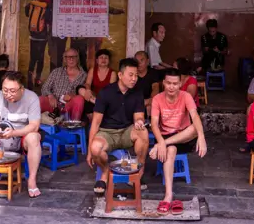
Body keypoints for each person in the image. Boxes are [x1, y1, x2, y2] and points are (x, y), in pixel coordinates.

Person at [149, 69, 208, 215]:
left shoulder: (186, 96)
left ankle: (163, 144)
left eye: (175, 84)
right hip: (166, 136)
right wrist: (162, 141)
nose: (171, 87)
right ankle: (168, 195)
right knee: (170, 150)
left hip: (183, 136)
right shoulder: (157, 99)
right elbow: (154, 124)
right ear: (163, 83)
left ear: (180, 84)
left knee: (195, 127)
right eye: (168, 83)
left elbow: (195, 117)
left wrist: (201, 137)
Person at [88, 58, 149, 195]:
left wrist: (139, 121)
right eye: (131, 75)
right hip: (107, 133)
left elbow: (139, 116)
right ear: (120, 75)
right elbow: (96, 123)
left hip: (126, 132)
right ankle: (104, 173)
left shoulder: (137, 93)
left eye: (136, 75)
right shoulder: (105, 93)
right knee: (96, 148)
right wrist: (89, 151)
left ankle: (139, 172)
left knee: (143, 132)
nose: (134, 79)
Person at [40, 48, 88, 120]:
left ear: (77, 58)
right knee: (40, 100)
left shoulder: (84, 75)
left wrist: (72, 95)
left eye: (74, 57)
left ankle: (74, 126)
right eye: (68, 57)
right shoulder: (56, 72)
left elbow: (85, 93)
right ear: (65, 59)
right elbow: (45, 87)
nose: (71, 59)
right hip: (54, 104)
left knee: (79, 99)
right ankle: (35, 126)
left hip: (69, 105)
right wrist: (50, 96)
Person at [25, 0, 53, 89]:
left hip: (33, 35)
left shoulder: (32, 3)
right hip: (43, 36)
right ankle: (37, 79)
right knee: (40, 58)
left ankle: (29, 79)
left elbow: (27, 13)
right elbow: (49, 20)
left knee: (32, 58)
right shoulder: (48, 5)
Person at [79, 49, 117, 117]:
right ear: (97, 60)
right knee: (79, 88)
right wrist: (88, 90)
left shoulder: (112, 73)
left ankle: (99, 104)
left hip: (106, 99)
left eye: (106, 58)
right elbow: (87, 84)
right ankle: (97, 103)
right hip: (93, 98)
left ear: (109, 61)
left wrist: (101, 99)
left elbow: (111, 90)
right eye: (101, 57)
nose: (103, 60)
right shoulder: (93, 70)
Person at [134, 51, 160, 115]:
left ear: (148, 61)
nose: (139, 63)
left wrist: (149, 100)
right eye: (136, 61)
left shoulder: (153, 73)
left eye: (142, 60)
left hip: (148, 102)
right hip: (134, 103)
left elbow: (155, 88)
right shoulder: (132, 73)